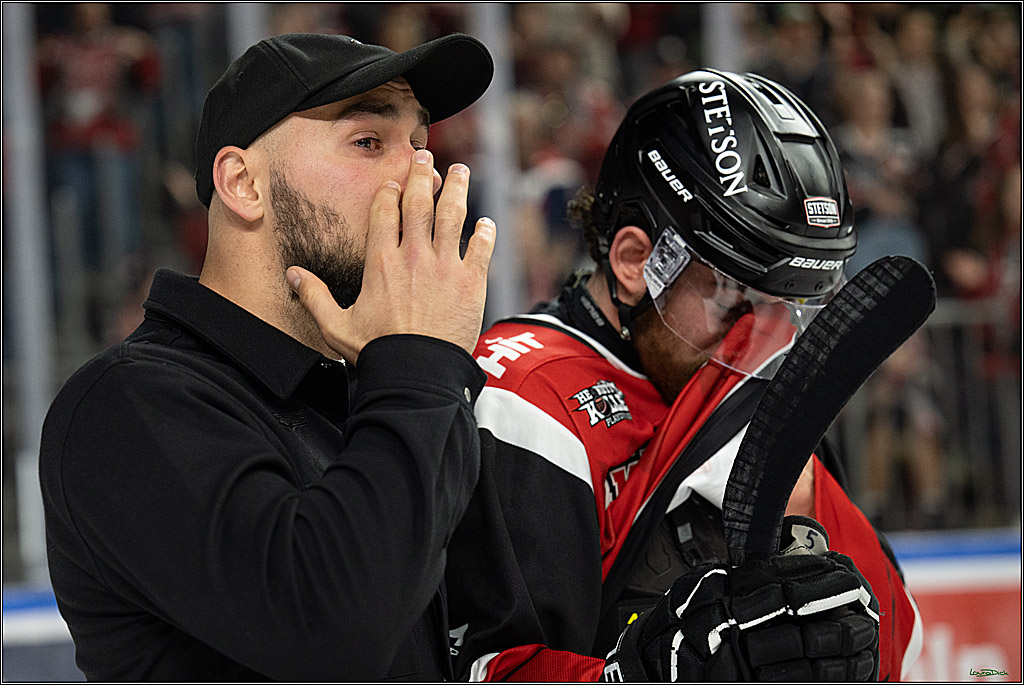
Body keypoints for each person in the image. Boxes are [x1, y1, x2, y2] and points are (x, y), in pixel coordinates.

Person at [39, 32, 495, 681]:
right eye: (370, 142)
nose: (421, 173)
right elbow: (337, 627)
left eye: (420, 144)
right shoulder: (123, 404)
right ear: (243, 183)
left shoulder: (374, 385)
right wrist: (418, 360)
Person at [445, 69, 921, 680]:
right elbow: (479, 669)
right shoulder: (523, 401)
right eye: (732, 293)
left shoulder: (749, 381)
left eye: (783, 301)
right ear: (636, 261)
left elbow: (895, 640)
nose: (761, 334)